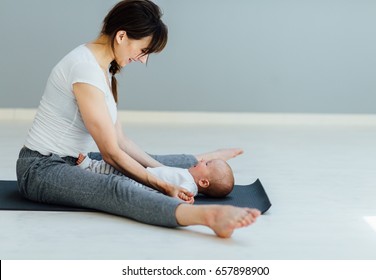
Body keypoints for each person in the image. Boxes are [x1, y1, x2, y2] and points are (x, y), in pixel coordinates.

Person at [16, 0, 260, 238]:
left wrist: (159, 171)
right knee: (117, 187)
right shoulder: (84, 69)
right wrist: (162, 185)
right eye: (143, 50)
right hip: (40, 170)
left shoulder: (104, 71)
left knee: (150, 161)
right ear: (121, 36)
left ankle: (202, 159)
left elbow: (121, 141)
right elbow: (111, 153)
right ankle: (206, 217)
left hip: (72, 160)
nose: (143, 59)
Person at [77, 154, 234, 199]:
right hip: (145, 174)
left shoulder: (189, 185)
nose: (203, 161)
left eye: (207, 164)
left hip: (142, 185)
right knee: (118, 167)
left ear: (204, 182)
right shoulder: (187, 174)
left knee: (113, 174)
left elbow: (181, 194)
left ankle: (88, 166)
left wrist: (183, 199)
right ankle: (90, 165)